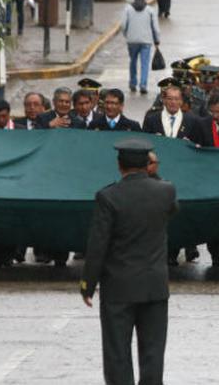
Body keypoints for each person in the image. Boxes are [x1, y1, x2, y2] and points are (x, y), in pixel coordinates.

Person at [81, 137, 178, 385]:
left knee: (117, 354)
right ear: (148, 164)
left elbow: (98, 245)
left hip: (119, 287)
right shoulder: (166, 191)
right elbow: (172, 210)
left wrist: (88, 284)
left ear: (119, 164)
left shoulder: (108, 196)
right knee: (153, 353)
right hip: (154, 286)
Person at [122, 0, 161, 95]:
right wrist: (157, 40)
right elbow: (155, 28)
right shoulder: (150, 10)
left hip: (132, 40)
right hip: (146, 41)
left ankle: (133, 83)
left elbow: (123, 25)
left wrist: (127, 35)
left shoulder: (128, 9)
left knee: (133, 62)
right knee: (145, 64)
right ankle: (143, 85)